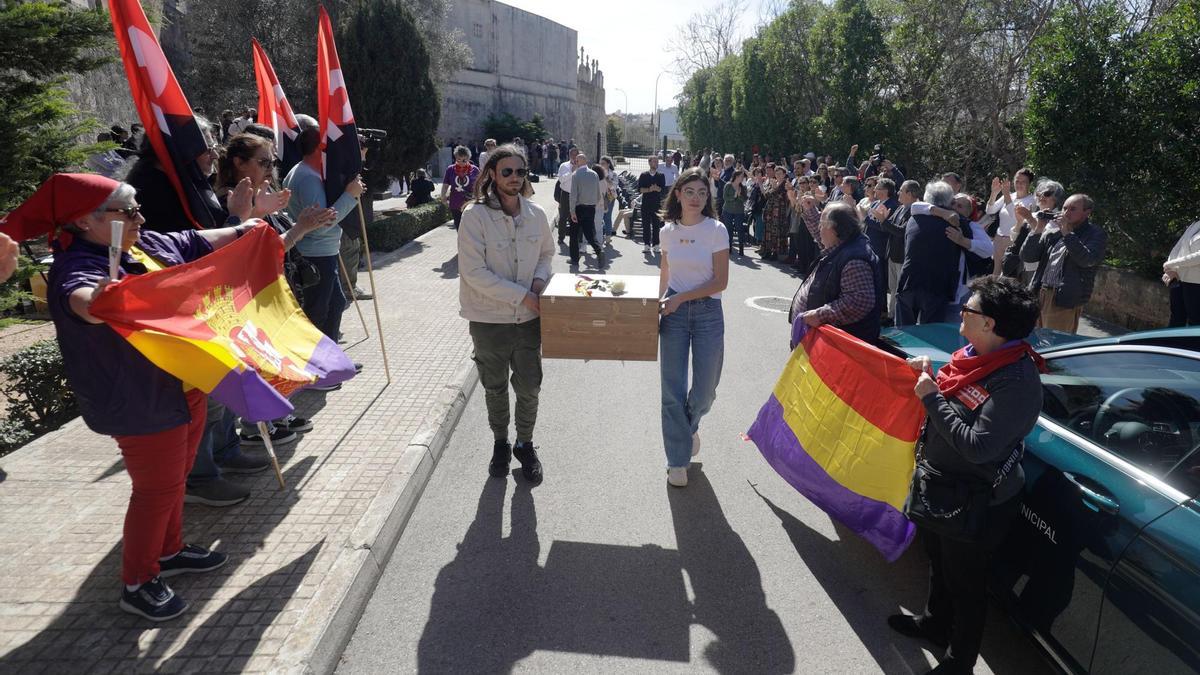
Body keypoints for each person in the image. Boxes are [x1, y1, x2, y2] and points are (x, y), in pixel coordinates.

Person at [3, 173, 331, 621]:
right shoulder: (78, 265)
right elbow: (81, 300)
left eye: (137, 208)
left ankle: (170, 550)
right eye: (127, 211)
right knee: (155, 489)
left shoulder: (146, 245)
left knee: (175, 479)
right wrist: (100, 299)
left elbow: (212, 239)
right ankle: (137, 582)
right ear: (84, 221)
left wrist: (266, 227)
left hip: (183, 384)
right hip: (138, 399)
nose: (139, 217)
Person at [889, 276, 1044, 675]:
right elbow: (958, 398)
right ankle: (933, 624)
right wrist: (933, 375)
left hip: (977, 499)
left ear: (990, 323)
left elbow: (979, 446)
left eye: (968, 309)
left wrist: (930, 396)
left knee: (966, 584)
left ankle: (959, 663)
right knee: (939, 562)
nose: (961, 312)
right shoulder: (975, 354)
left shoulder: (1016, 380)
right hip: (944, 485)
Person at [458, 145, 553, 483]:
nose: (515, 178)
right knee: (494, 387)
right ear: (492, 175)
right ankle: (501, 442)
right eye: (507, 171)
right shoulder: (474, 216)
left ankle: (525, 444)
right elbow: (474, 272)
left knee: (529, 387)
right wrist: (524, 297)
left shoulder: (537, 214)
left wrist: (540, 280)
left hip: (527, 323)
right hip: (489, 321)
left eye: (520, 172)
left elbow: (545, 253)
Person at [657, 168, 730, 488]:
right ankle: (677, 460)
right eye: (690, 192)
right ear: (678, 194)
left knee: (704, 391)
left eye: (702, 192)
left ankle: (688, 427)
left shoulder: (716, 229)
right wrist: (657, 303)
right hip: (671, 313)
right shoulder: (668, 231)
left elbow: (720, 281)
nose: (696, 198)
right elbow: (665, 273)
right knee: (672, 390)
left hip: (707, 313)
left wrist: (680, 299)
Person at [283, 114, 366, 351]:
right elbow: (322, 222)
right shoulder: (308, 177)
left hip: (323, 253)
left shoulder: (308, 172)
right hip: (316, 255)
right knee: (318, 312)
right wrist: (351, 195)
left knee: (336, 303)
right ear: (320, 147)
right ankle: (320, 365)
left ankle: (330, 359)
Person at [787, 202, 885, 345]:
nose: (819, 228)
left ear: (834, 228)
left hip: (836, 348)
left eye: (822, 224)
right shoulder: (842, 243)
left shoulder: (855, 259)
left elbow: (859, 301)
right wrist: (810, 211)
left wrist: (819, 315)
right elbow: (819, 234)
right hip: (820, 341)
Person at [1019, 194, 1106, 333]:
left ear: (1087, 212)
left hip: (1063, 300)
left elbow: (1087, 260)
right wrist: (1039, 228)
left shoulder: (1095, 234)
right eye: (1064, 208)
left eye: (1072, 209)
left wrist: (1067, 232)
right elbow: (1027, 256)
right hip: (1039, 295)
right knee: (1033, 341)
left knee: (1054, 345)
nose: (1066, 213)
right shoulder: (1053, 233)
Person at [896, 181, 971, 325]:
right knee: (930, 336)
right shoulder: (956, 222)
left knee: (904, 334)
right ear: (950, 200)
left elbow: (917, 206)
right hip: (937, 287)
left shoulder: (914, 217)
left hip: (909, 281)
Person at [1002, 179, 1066, 285]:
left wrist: (1030, 219)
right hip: (1016, 266)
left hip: (1036, 270)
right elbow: (1013, 238)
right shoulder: (1033, 213)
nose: (1041, 196)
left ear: (1056, 197)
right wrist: (1019, 222)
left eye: (1047, 193)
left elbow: (1046, 239)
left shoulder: (1059, 218)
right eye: (1039, 193)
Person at [985, 169, 1036, 276]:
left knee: (1007, 274)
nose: (1019, 184)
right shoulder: (1009, 195)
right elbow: (990, 210)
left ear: (1029, 184)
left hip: (1013, 241)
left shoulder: (1032, 200)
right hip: (999, 239)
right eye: (1017, 181)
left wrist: (1006, 195)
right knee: (995, 273)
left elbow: (1016, 218)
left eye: (1023, 182)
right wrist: (994, 193)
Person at [568, 154, 605, 267]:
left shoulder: (576, 174)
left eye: (576, 161)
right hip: (591, 207)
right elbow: (598, 195)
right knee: (590, 233)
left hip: (579, 207)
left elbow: (573, 194)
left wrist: (572, 211)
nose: (575, 162)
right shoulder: (594, 174)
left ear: (579, 161)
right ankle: (599, 251)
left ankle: (574, 259)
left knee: (574, 234)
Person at [1164, 220, 1200, 326]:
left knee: (1196, 321)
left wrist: (1171, 264)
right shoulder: (1196, 224)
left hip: (1197, 284)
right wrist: (1171, 270)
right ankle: (1170, 343)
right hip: (1180, 279)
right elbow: (1178, 247)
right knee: (1176, 318)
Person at [440, 145, 479, 230]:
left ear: (468, 159)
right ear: (455, 158)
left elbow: (480, 185)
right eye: (458, 160)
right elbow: (445, 184)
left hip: (470, 203)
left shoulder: (475, 170)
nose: (461, 162)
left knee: (471, 228)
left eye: (464, 160)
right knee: (459, 227)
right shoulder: (450, 169)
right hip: (455, 203)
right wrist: (443, 197)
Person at [760, 165, 791, 260]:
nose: (777, 175)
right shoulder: (774, 182)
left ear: (784, 174)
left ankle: (776, 251)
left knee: (777, 231)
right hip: (770, 210)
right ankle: (768, 250)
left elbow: (783, 198)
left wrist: (775, 188)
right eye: (776, 173)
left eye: (780, 173)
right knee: (768, 230)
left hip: (779, 211)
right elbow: (767, 195)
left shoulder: (785, 184)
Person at [637, 156, 667, 253]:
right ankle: (646, 245)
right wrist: (649, 189)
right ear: (649, 163)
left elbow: (663, 190)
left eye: (657, 162)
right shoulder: (643, 175)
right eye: (654, 161)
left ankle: (656, 245)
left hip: (657, 204)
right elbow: (640, 189)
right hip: (645, 204)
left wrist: (657, 188)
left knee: (656, 225)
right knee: (646, 225)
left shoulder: (661, 175)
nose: (656, 163)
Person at [721, 169, 748, 255]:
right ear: (736, 177)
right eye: (741, 176)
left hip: (739, 211)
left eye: (742, 177)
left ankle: (741, 248)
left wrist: (739, 195)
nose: (742, 178)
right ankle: (729, 247)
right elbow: (725, 197)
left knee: (740, 229)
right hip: (728, 210)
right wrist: (734, 196)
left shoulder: (743, 187)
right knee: (729, 229)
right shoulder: (728, 185)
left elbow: (745, 199)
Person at [598, 156, 618, 243]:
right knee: (599, 216)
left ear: (608, 164)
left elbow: (613, 186)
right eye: (600, 163)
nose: (601, 165)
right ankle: (600, 235)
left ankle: (608, 236)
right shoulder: (597, 173)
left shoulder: (613, 174)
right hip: (599, 197)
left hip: (609, 197)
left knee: (607, 217)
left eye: (603, 163)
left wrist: (605, 178)